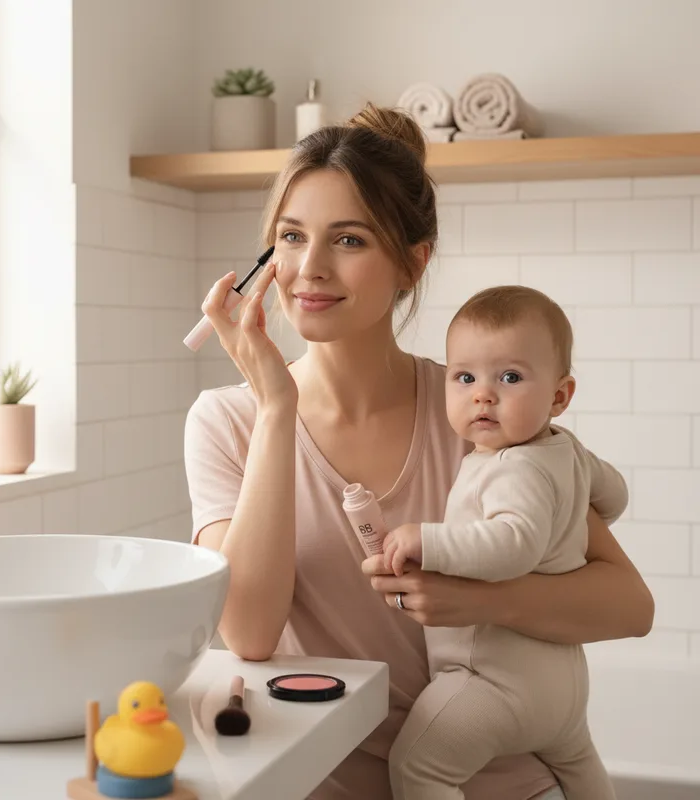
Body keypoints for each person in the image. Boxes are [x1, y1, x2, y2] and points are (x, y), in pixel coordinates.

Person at [183, 102, 654, 800]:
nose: (309, 268)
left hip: (499, 783)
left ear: (412, 261)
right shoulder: (227, 421)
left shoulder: (475, 411)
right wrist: (277, 408)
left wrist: (484, 599)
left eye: (348, 240)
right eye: (290, 237)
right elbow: (250, 633)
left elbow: (628, 604)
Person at [382, 285, 626, 799]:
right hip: (563, 683)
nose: (483, 394)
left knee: (419, 768)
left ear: (560, 396)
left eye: (509, 378)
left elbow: (513, 546)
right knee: (579, 767)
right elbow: (616, 495)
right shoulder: (568, 451)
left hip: (495, 681)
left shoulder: (513, 467)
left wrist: (426, 540)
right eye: (465, 377)